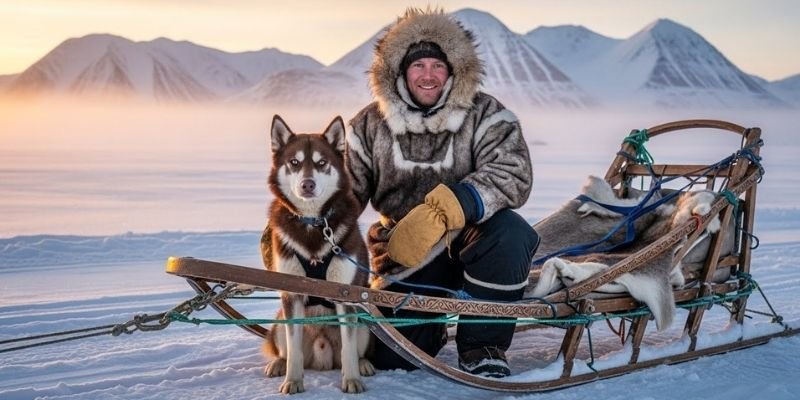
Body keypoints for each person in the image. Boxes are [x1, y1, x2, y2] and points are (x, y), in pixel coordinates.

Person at [345, 8, 539, 378]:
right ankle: (427, 328)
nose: (429, 75)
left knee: (512, 233)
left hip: (472, 235)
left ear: (454, 70)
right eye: (419, 66)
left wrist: (452, 205)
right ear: (400, 70)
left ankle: (484, 346)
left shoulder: (486, 114)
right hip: (404, 248)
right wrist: (301, 223)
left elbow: (514, 171)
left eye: (438, 65)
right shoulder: (368, 125)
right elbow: (345, 192)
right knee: (391, 355)